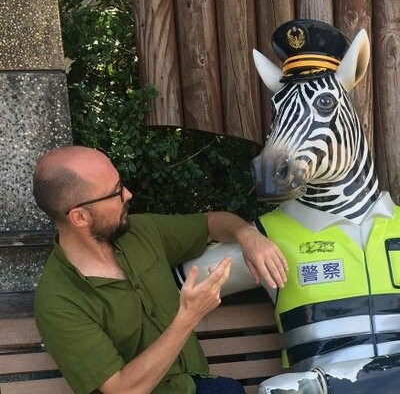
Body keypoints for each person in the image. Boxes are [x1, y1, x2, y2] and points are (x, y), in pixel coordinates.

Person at [33, 145, 288, 394]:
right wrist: (189, 316)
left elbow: (211, 222)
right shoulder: (58, 301)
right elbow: (122, 389)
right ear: (79, 217)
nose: (128, 194)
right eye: (116, 192)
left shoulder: (141, 232)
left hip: (198, 385)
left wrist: (247, 235)